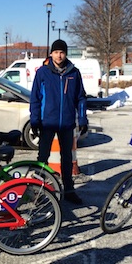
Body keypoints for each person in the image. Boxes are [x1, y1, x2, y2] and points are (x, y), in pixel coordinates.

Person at [30, 39, 88, 205]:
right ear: (51, 54)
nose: (59, 55)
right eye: (56, 52)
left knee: (67, 158)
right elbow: (35, 98)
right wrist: (35, 121)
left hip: (67, 123)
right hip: (47, 122)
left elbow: (81, 98)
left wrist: (83, 119)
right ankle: (38, 190)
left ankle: (69, 189)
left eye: (62, 52)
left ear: (65, 53)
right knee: (42, 157)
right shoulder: (43, 72)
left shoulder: (74, 73)